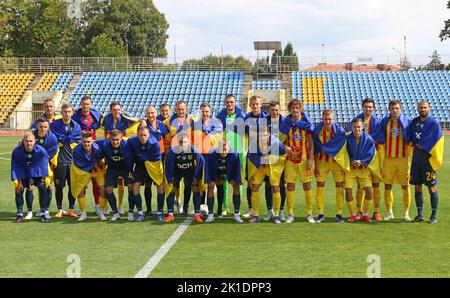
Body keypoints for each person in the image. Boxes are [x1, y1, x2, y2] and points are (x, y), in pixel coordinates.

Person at [279, 99, 315, 223]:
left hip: (304, 160)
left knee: (307, 185)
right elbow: (279, 140)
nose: (295, 110)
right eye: (293, 108)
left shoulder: (306, 123)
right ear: (289, 110)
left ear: (301, 109)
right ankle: (290, 214)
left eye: (297, 107)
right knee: (290, 186)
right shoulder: (286, 123)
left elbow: (310, 144)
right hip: (290, 160)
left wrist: (310, 158)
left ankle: (309, 214)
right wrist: (285, 147)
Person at [101, 101, 139, 214]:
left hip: (123, 148)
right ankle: (110, 208)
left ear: (121, 110)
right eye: (114, 110)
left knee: (124, 184)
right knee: (108, 184)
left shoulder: (126, 119)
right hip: (110, 149)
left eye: (118, 110)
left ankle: (121, 206)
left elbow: (136, 124)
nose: (116, 112)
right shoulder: (106, 120)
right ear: (110, 110)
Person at [348, 98, 383, 221]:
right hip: (359, 160)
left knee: (376, 184)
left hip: (373, 158)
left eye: (370, 107)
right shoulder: (356, 120)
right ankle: (359, 211)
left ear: (373, 108)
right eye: (366, 107)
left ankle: (376, 211)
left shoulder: (378, 122)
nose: (368, 109)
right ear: (362, 107)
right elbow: (349, 135)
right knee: (360, 186)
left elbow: (380, 138)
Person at [410, 100, 444, 224]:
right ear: (418, 109)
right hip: (416, 160)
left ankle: (434, 215)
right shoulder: (414, 122)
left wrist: (424, 146)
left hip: (428, 161)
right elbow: (410, 137)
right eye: (421, 108)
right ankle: (420, 214)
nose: (423, 110)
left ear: (429, 108)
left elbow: (438, 139)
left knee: (432, 187)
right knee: (417, 187)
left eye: (425, 107)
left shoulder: (434, 123)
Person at [313, 109, 350, 223]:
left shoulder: (339, 131)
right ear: (322, 119)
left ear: (333, 119)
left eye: (330, 119)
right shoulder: (317, 131)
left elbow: (344, 148)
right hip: (321, 162)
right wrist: (315, 166)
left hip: (336, 163)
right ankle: (320, 213)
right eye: (325, 119)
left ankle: (339, 213)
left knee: (339, 186)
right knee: (320, 186)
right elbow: (315, 149)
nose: (328, 121)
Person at [379, 99, 413, 221]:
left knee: (405, 186)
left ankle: (406, 213)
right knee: (387, 186)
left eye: (397, 108)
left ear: (400, 109)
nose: (395, 110)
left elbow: (413, 138)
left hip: (403, 159)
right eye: (393, 108)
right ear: (389, 109)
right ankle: (389, 213)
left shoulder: (407, 122)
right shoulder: (385, 122)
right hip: (388, 159)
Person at [72, 95, 105, 215]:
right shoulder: (74, 117)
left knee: (97, 182)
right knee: (82, 183)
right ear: (80, 104)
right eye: (83, 104)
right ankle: (82, 209)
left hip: (94, 150)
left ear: (91, 105)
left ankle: (97, 205)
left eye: (88, 104)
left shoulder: (96, 116)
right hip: (81, 151)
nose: (85, 106)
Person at [164, 100, 196, 215]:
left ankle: (186, 205)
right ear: (175, 110)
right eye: (178, 109)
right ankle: (174, 205)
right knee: (174, 182)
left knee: (188, 183)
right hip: (174, 157)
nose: (181, 111)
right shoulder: (168, 121)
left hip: (188, 156)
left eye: (183, 109)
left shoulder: (192, 120)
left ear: (186, 109)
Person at [247, 128, 286, 223]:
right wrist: (251, 174)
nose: (263, 137)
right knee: (255, 187)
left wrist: (270, 157)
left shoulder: (276, 143)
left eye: (265, 135)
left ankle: (276, 215)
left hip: (273, 166)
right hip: (260, 167)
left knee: (275, 188)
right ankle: (256, 215)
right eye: (260, 136)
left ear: (268, 134)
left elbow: (283, 154)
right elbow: (251, 158)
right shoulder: (254, 144)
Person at [164, 132, 205, 223]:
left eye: (185, 142)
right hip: (177, 171)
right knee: (172, 188)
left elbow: (201, 162)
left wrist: (197, 177)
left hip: (190, 171)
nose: (183, 144)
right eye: (181, 142)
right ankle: (170, 214)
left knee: (195, 188)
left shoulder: (194, 150)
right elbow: (168, 166)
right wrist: (170, 179)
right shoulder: (172, 151)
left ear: (189, 142)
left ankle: (197, 214)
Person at [127, 126, 165, 222]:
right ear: (137, 135)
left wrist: (141, 156)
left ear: (149, 135)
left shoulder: (155, 144)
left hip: (153, 165)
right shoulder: (131, 142)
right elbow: (128, 154)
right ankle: (140, 213)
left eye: (145, 135)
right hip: (141, 166)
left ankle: (160, 212)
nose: (143, 137)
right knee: (135, 186)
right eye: (141, 135)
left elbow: (156, 159)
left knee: (160, 186)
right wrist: (131, 169)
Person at [50, 103, 81, 218]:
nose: (67, 114)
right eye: (65, 112)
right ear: (61, 113)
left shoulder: (76, 127)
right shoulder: (54, 126)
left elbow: (78, 142)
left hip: (73, 162)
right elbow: (52, 140)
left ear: (72, 113)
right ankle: (60, 209)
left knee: (72, 186)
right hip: (60, 162)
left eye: (69, 112)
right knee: (59, 187)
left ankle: (71, 209)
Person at [216, 94, 245, 216]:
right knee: (223, 180)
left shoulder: (241, 116)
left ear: (235, 103)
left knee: (238, 180)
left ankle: (238, 207)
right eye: (227, 102)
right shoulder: (220, 117)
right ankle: (225, 206)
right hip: (224, 152)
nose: (229, 104)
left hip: (238, 152)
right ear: (224, 103)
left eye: (232, 102)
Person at [11, 132, 49, 223]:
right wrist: (19, 182)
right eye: (27, 141)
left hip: (37, 173)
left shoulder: (41, 151)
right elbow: (16, 167)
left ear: (34, 141)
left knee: (43, 187)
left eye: (31, 141)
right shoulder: (17, 152)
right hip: (23, 173)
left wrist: (42, 178)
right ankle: (19, 214)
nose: (29, 143)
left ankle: (43, 213)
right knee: (18, 189)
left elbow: (43, 164)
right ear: (23, 141)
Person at [192, 102, 223, 214]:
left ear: (210, 113)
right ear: (200, 112)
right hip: (200, 157)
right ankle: (202, 207)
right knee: (201, 182)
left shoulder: (218, 124)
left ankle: (219, 209)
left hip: (214, 157)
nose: (205, 113)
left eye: (207, 111)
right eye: (203, 111)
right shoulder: (195, 124)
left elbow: (218, 141)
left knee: (218, 182)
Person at [140, 106, 170, 217]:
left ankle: (160, 210)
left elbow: (167, 139)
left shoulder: (161, 124)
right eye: (148, 113)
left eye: (153, 113)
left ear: (156, 113)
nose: (151, 115)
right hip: (147, 158)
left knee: (160, 184)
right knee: (147, 184)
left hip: (160, 157)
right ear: (146, 114)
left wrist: (166, 154)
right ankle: (148, 210)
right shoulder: (143, 125)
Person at [98, 130, 134, 221]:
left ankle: (130, 212)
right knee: (108, 189)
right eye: (113, 140)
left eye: (117, 140)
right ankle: (115, 212)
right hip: (112, 168)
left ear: (121, 138)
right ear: (109, 139)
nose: (115, 142)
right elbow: (92, 143)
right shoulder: (105, 145)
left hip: (125, 168)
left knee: (131, 187)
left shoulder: (127, 144)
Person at [205, 139, 243, 223]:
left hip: (228, 171)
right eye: (222, 149)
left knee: (236, 186)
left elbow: (237, 169)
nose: (224, 151)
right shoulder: (211, 154)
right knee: (210, 187)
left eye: (226, 149)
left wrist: (234, 179)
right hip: (216, 171)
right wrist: (211, 180)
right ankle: (210, 215)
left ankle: (236, 215)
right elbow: (208, 168)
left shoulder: (234, 155)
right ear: (218, 148)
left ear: (229, 148)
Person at [243, 95, 269, 218]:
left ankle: (270, 209)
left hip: (265, 154)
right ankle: (251, 208)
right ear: (250, 105)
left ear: (261, 104)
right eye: (253, 104)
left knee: (268, 182)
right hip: (252, 154)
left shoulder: (267, 118)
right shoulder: (247, 118)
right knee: (251, 182)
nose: (255, 106)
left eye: (257, 104)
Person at [70, 132, 105, 221]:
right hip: (82, 170)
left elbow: (100, 160)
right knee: (80, 189)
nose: (86, 144)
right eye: (84, 142)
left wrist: (97, 164)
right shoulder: (76, 150)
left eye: (88, 142)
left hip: (97, 169)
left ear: (93, 141)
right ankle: (83, 213)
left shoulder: (98, 149)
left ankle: (101, 212)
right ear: (81, 141)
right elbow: (79, 164)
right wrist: (93, 164)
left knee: (102, 188)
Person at [31, 117, 58, 220]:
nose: (43, 129)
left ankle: (46, 209)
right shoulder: (33, 135)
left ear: (48, 127)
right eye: (41, 126)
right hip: (33, 165)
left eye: (45, 127)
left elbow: (51, 153)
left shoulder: (52, 138)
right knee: (35, 186)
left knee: (47, 186)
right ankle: (39, 209)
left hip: (46, 164)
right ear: (37, 126)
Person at [265, 101, 287, 221]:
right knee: (268, 184)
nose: (274, 112)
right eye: (272, 110)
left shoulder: (285, 122)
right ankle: (270, 211)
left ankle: (281, 211)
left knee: (282, 184)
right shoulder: (264, 122)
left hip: (282, 157)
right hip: (268, 157)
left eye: (277, 110)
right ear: (269, 110)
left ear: (280, 110)